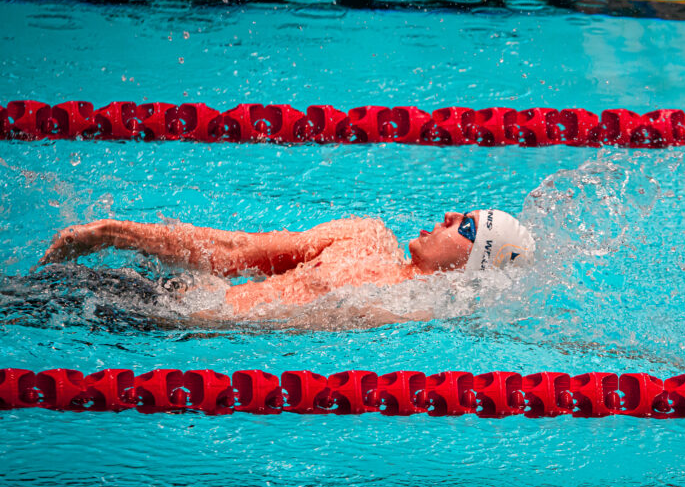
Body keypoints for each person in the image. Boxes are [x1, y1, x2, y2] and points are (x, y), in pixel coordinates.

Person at [37, 209, 535, 322]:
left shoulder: (420, 311)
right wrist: (111, 233)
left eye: (465, 226)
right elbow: (233, 252)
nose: (448, 216)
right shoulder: (364, 235)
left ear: (475, 263)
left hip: (173, 328)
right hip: (163, 298)